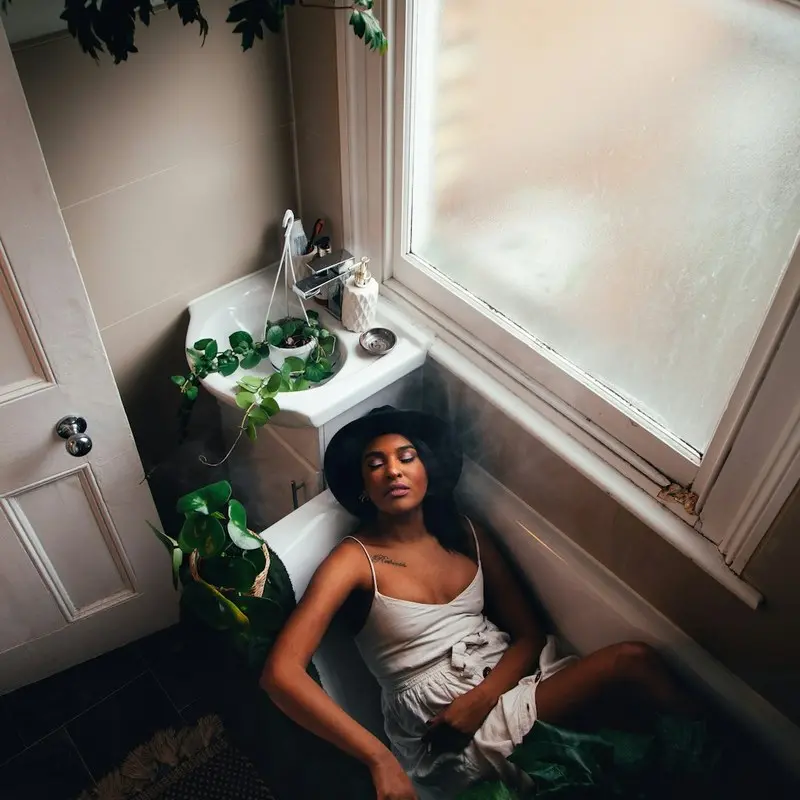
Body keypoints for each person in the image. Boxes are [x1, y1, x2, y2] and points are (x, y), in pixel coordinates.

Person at [263, 407, 694, 799]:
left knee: (629, 731)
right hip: (444, 729)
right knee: (631, 663)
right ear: (363, 488)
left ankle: (701, 772)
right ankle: (716, 774)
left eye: (406, 457)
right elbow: (280, 674)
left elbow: (529, 636)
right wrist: (379, 759)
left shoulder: (467, 534)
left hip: (503, 686)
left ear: (427, 470)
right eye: (375, 465)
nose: (393, 470)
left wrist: (483, 697)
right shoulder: (354, 559)